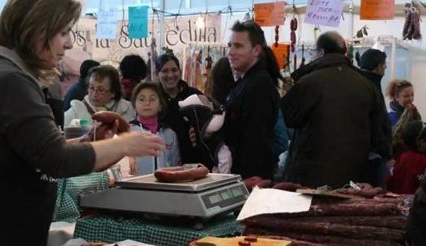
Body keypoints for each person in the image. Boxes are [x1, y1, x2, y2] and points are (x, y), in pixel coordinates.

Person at [0, 0, 165, 246]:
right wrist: (126, 144)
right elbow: (56, 158)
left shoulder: (13, 77)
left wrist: (89, 143)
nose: (69, 43)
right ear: (37, 31)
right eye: (63, 33)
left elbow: (38, 151)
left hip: (6, 235)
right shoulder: (9, 80)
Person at [282, 31, 388, 188]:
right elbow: (379, 131)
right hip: (354, 177)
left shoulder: (308, 82)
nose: (311, 56)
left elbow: (289, 119)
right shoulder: (366, 85)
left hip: (311, 177)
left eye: (313, 52)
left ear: (321, 52)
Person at [223, 20, 280, 180]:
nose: (231, 52)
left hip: (253, 178)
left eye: (238, 46)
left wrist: (250, 179)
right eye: (230, 45)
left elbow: (256, 138)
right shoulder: (247, 82)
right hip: (244, 173)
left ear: (256, 50)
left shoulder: (259, 85)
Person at [154, 53, 214, 168]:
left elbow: (210, 125)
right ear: (157, 74)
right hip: (164, 162)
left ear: (180, 71)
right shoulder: (153, 99)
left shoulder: (194, 95)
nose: (170, 75)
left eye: (174, 70)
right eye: (165, 71)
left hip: (196, 161)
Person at [128, 81, 180, 175]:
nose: (147, 103)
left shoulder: (170, 134)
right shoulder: (128, 131)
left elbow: (175, 164)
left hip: (164, 186)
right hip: (136, 186)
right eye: (141, 99)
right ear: (134, 105)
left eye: (152, 99)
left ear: (160, 105)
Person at [358, 48, 392, 188]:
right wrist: (384, 148)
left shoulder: (361, 83)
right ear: (378, 66)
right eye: (384, 65)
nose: (385, 68)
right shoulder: (372, 87)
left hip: (365, 150)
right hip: (373, 154)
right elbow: (376, 122)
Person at [64, 64, 135, 126]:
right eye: (91, 88)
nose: (94, 94)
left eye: (100, 90)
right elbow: (62, 126)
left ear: (113, 92)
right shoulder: (77, 109)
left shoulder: (127, 109)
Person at [387, 120, 426, 194]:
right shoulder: (423, 160)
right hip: (418, 202)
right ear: (422, 142)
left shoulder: (402, 157)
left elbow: (390, 180)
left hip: (398, 201)